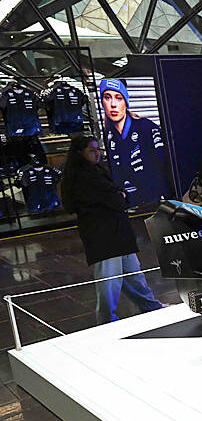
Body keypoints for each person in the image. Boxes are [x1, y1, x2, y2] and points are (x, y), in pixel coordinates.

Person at [60, 135, 163, 325]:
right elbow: (116, 198)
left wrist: (120, 195)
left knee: (133, 275)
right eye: (92, 150)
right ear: (79, 153)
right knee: (109, 281)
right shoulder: (83, 177)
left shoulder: (96, 171)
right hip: (104, 236)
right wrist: (120, 195)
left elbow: (118, 196)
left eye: (97, 149)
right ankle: (107, 320)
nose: (97, 153)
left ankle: (151, 307)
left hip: (117, 233)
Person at [99, 79, 168, 207]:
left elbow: (165, 165)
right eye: (107, 97)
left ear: (126, 102)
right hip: (134, 206)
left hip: (159, 201)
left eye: (119, 98)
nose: (113, 104)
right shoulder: (110, 140)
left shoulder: (146, 127)